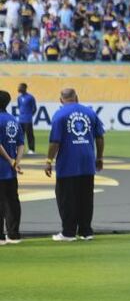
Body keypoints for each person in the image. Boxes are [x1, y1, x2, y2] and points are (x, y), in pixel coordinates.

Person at [44, 88, 105, 241]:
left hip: (68, 163)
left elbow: (54, 142)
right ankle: (86, 231)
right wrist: (99, 157)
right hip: (87, 162)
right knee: (86, 197)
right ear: (76, 97)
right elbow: (100, 137)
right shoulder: (90, 112)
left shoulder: (60, 115)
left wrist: (48, 161)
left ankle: (68, 232)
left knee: (66, 198)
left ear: (60, 100)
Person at [0, 90, 24, 244]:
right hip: (10, 172)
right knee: (12, 202)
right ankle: (13, 234)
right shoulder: (13, 120)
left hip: (2, 167)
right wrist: (16, 162)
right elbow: (21, 144)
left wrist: (9, 160)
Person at [16, 83, 36, 155]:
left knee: (29, 134)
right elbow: (19, 106)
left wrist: (29, 115)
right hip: (20, 119)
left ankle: (31, 149)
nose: (18, 88)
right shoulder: (19, 98)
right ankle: (20, 149)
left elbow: (34, 108)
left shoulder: (30, 97)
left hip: (28, 119)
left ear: (24, 88)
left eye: (20, 87)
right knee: (20, 135)